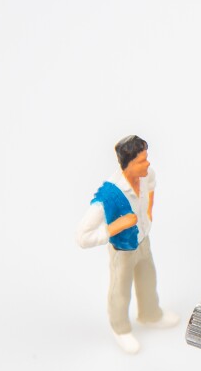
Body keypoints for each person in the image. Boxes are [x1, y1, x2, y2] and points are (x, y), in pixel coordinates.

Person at [76, 135, 179, 354]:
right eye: (142, 160)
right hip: (122, 250)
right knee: (120, 290)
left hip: (143, 241)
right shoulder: (109, 195)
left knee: (148, 279)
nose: (148, 164)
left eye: (146, 158)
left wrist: (149, 213)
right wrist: (115, 227)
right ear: (128, 163)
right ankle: (120, 328)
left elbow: (152, 185)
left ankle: (150, 314)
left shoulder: (146, 175)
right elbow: (83, 237)